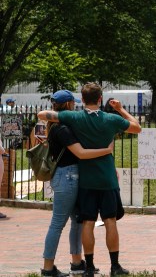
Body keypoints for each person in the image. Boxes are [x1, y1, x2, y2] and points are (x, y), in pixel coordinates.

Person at [38, 82, 142, 277]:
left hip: (85, 178)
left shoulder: (74, 117)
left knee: (86, 222)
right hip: (107, 177)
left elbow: (43, 115)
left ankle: (88, 265)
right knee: (110, 220)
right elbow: (137, 128)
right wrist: (120, 109)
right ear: (100, 99)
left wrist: (58, 115)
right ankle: (115, 266)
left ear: (83, 100)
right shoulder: (111, 119)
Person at [41, 90, 114, 277]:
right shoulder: (62, 129)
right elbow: (81, 153)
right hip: (67, 178)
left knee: (77, 222)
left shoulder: (59, 125)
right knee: (58, 223)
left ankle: (76, 262)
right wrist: (106, 151)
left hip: (70, 176)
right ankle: (48, 268)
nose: (75, 106)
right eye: (73, 103)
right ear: (68, 105)